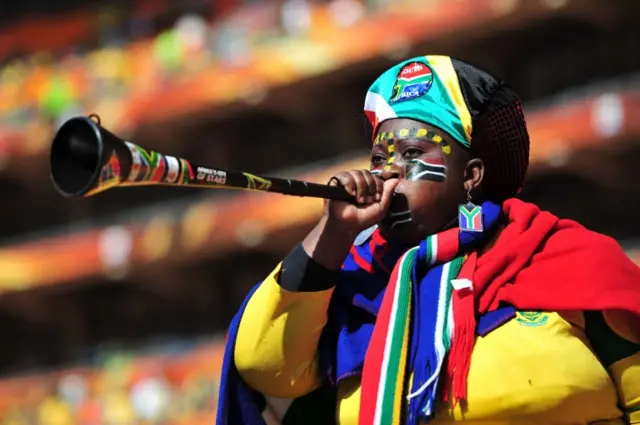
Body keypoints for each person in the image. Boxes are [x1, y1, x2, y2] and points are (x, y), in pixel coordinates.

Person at [215, 55, 640, 425]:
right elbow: (263, 364)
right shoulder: (351, 286)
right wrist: (334, 231)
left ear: (471, 175)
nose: (387, 174)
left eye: (412, 156)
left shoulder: (561, 255)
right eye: (380, 160)